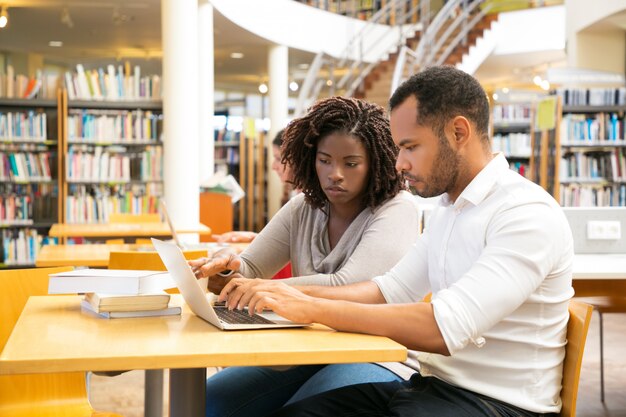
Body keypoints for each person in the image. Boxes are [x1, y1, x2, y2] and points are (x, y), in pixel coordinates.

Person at [218, 66, 575, 417]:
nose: (399, 164)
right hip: (433, 387)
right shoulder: (449, 209)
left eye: (410, 147)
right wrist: (288, 295)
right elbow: (387, 291)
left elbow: (442, 327)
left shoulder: (526, 213)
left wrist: (310, 307)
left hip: (496, 404)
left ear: (458, 132)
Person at [192, 96, 421, 417]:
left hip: (376, 354)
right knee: (207, 400)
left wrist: (261, 288)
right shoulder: (303, 206)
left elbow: (351, 285)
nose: (335, 174)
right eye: (325, 160)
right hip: (307, 348)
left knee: (301, 412)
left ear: (376, 163)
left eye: (351, 163)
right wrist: (227, 270)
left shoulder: (397, 209)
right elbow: (252, 267)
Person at [214, 129, 289, 244]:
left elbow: (288, 247)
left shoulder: (305, 202)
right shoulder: (294, 197)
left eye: (278, 159)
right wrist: (251, 237)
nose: (273, 166)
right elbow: (285, 243)